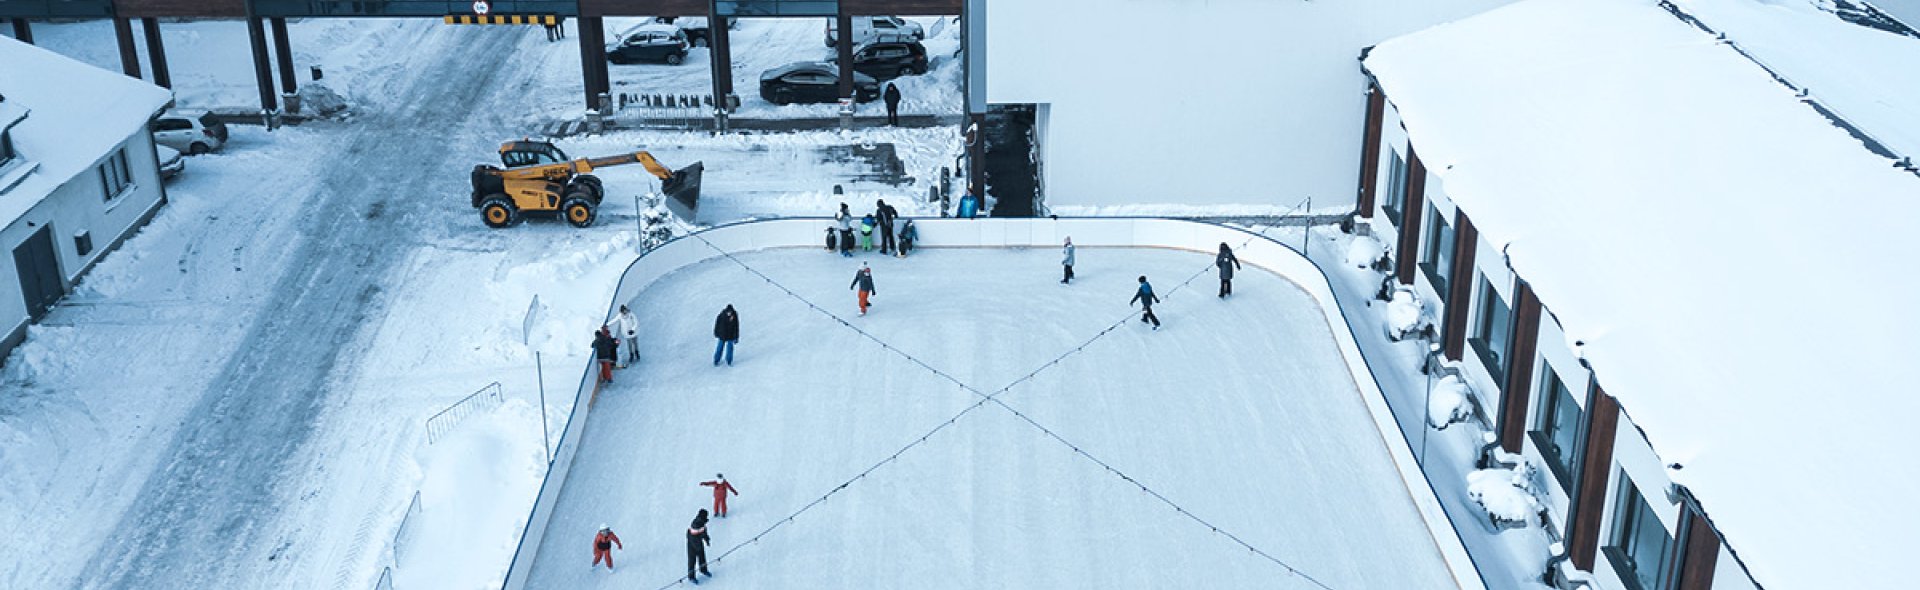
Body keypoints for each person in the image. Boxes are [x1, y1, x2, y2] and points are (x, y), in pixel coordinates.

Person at [686, 509, 713, 584]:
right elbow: (692, 538)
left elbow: (703, 532)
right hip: (692, 544)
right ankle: (691, 577)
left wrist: (706, 539)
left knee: (702, 557)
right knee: (692, 560)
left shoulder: (702, 523)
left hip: (698, 542)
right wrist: (697, 547)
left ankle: (703, 570)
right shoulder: (695, 525)